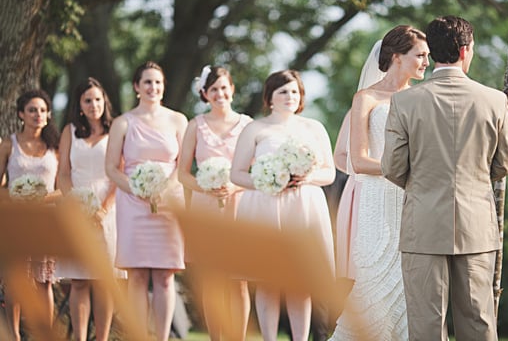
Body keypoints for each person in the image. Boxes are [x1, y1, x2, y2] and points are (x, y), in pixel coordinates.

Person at [381, 16, 508, 341]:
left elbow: (393, 167)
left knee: (426, 325)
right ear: (465, 50)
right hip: (477, 224)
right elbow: (503, 165)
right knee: (479, 322)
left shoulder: (403, 101)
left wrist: (424, 184)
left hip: (423, 222)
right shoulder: (495, 100)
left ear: (434, 52)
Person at [329, 26, 429, 340]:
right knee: (371, 284)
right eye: (420, 55)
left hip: (412, 203)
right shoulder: (366, 98)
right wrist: (404, 170)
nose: (427, 61)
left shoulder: (423, 98)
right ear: (397, 57)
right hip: (375, 203)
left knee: (407, 292)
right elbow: (357, 161)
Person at [230, 69, 336, 341]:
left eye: (295, 91)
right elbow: (237, 173)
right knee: (268, 282)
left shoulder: (314, 127)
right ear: (270, 97)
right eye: (283, 91)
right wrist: (268, 181)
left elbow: (330, 173)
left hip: (304, 210)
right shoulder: (255, 128)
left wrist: (308, 176)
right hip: (267, 209)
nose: (290, 96)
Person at [105, 61, 188, 341]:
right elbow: (112, 168)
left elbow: (183, 164)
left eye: (158, 82)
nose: (153, 87)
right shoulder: (123, 123)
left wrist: (164, 188)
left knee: (165, 276)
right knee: (137, 276)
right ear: (136, 87)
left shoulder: (178, 120)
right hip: (133, 204)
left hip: (169, 201)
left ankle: (163, 337)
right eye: (148, 82)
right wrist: (137, 188)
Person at [178, 66, 252, 340]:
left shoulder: (247, 124)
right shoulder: (195, 126)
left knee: (238, 280)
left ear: (232, 89)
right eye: (213, 90)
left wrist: (233, 185)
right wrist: (206, 188)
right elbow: (182, 173)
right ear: (204, 94)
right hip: (206, 208)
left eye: (224, 87)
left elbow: (255, 169)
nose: (219, 94)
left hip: (240, 206)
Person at [56, 78, 127, 341]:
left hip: (108, 209)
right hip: (77, 206)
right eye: (87, 100)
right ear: (80, 105)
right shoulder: (70, 132)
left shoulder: (116, 130)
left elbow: (120, 172)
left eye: (97, 99)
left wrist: (102, 210)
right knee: (79, 280)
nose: (93, 104)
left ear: (104, 102)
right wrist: (77, 203)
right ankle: (81, 337)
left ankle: (103, 337)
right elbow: (63, 174)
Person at [0, 89, 61, 341]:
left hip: (46, 220)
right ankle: (14, 336)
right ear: (21, 114)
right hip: (16, 221)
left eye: (43, 110)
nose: (38, 115)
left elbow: (63, 188)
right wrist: (16, 197)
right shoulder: (7, 144)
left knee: (44, 282)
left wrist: (40, 198)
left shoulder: (55, 148)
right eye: (33, 110)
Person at [332, 40, 386, 291]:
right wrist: (363, 171)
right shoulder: (360, 106)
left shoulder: (412, 103)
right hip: (364, 188)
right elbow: (340, 156)